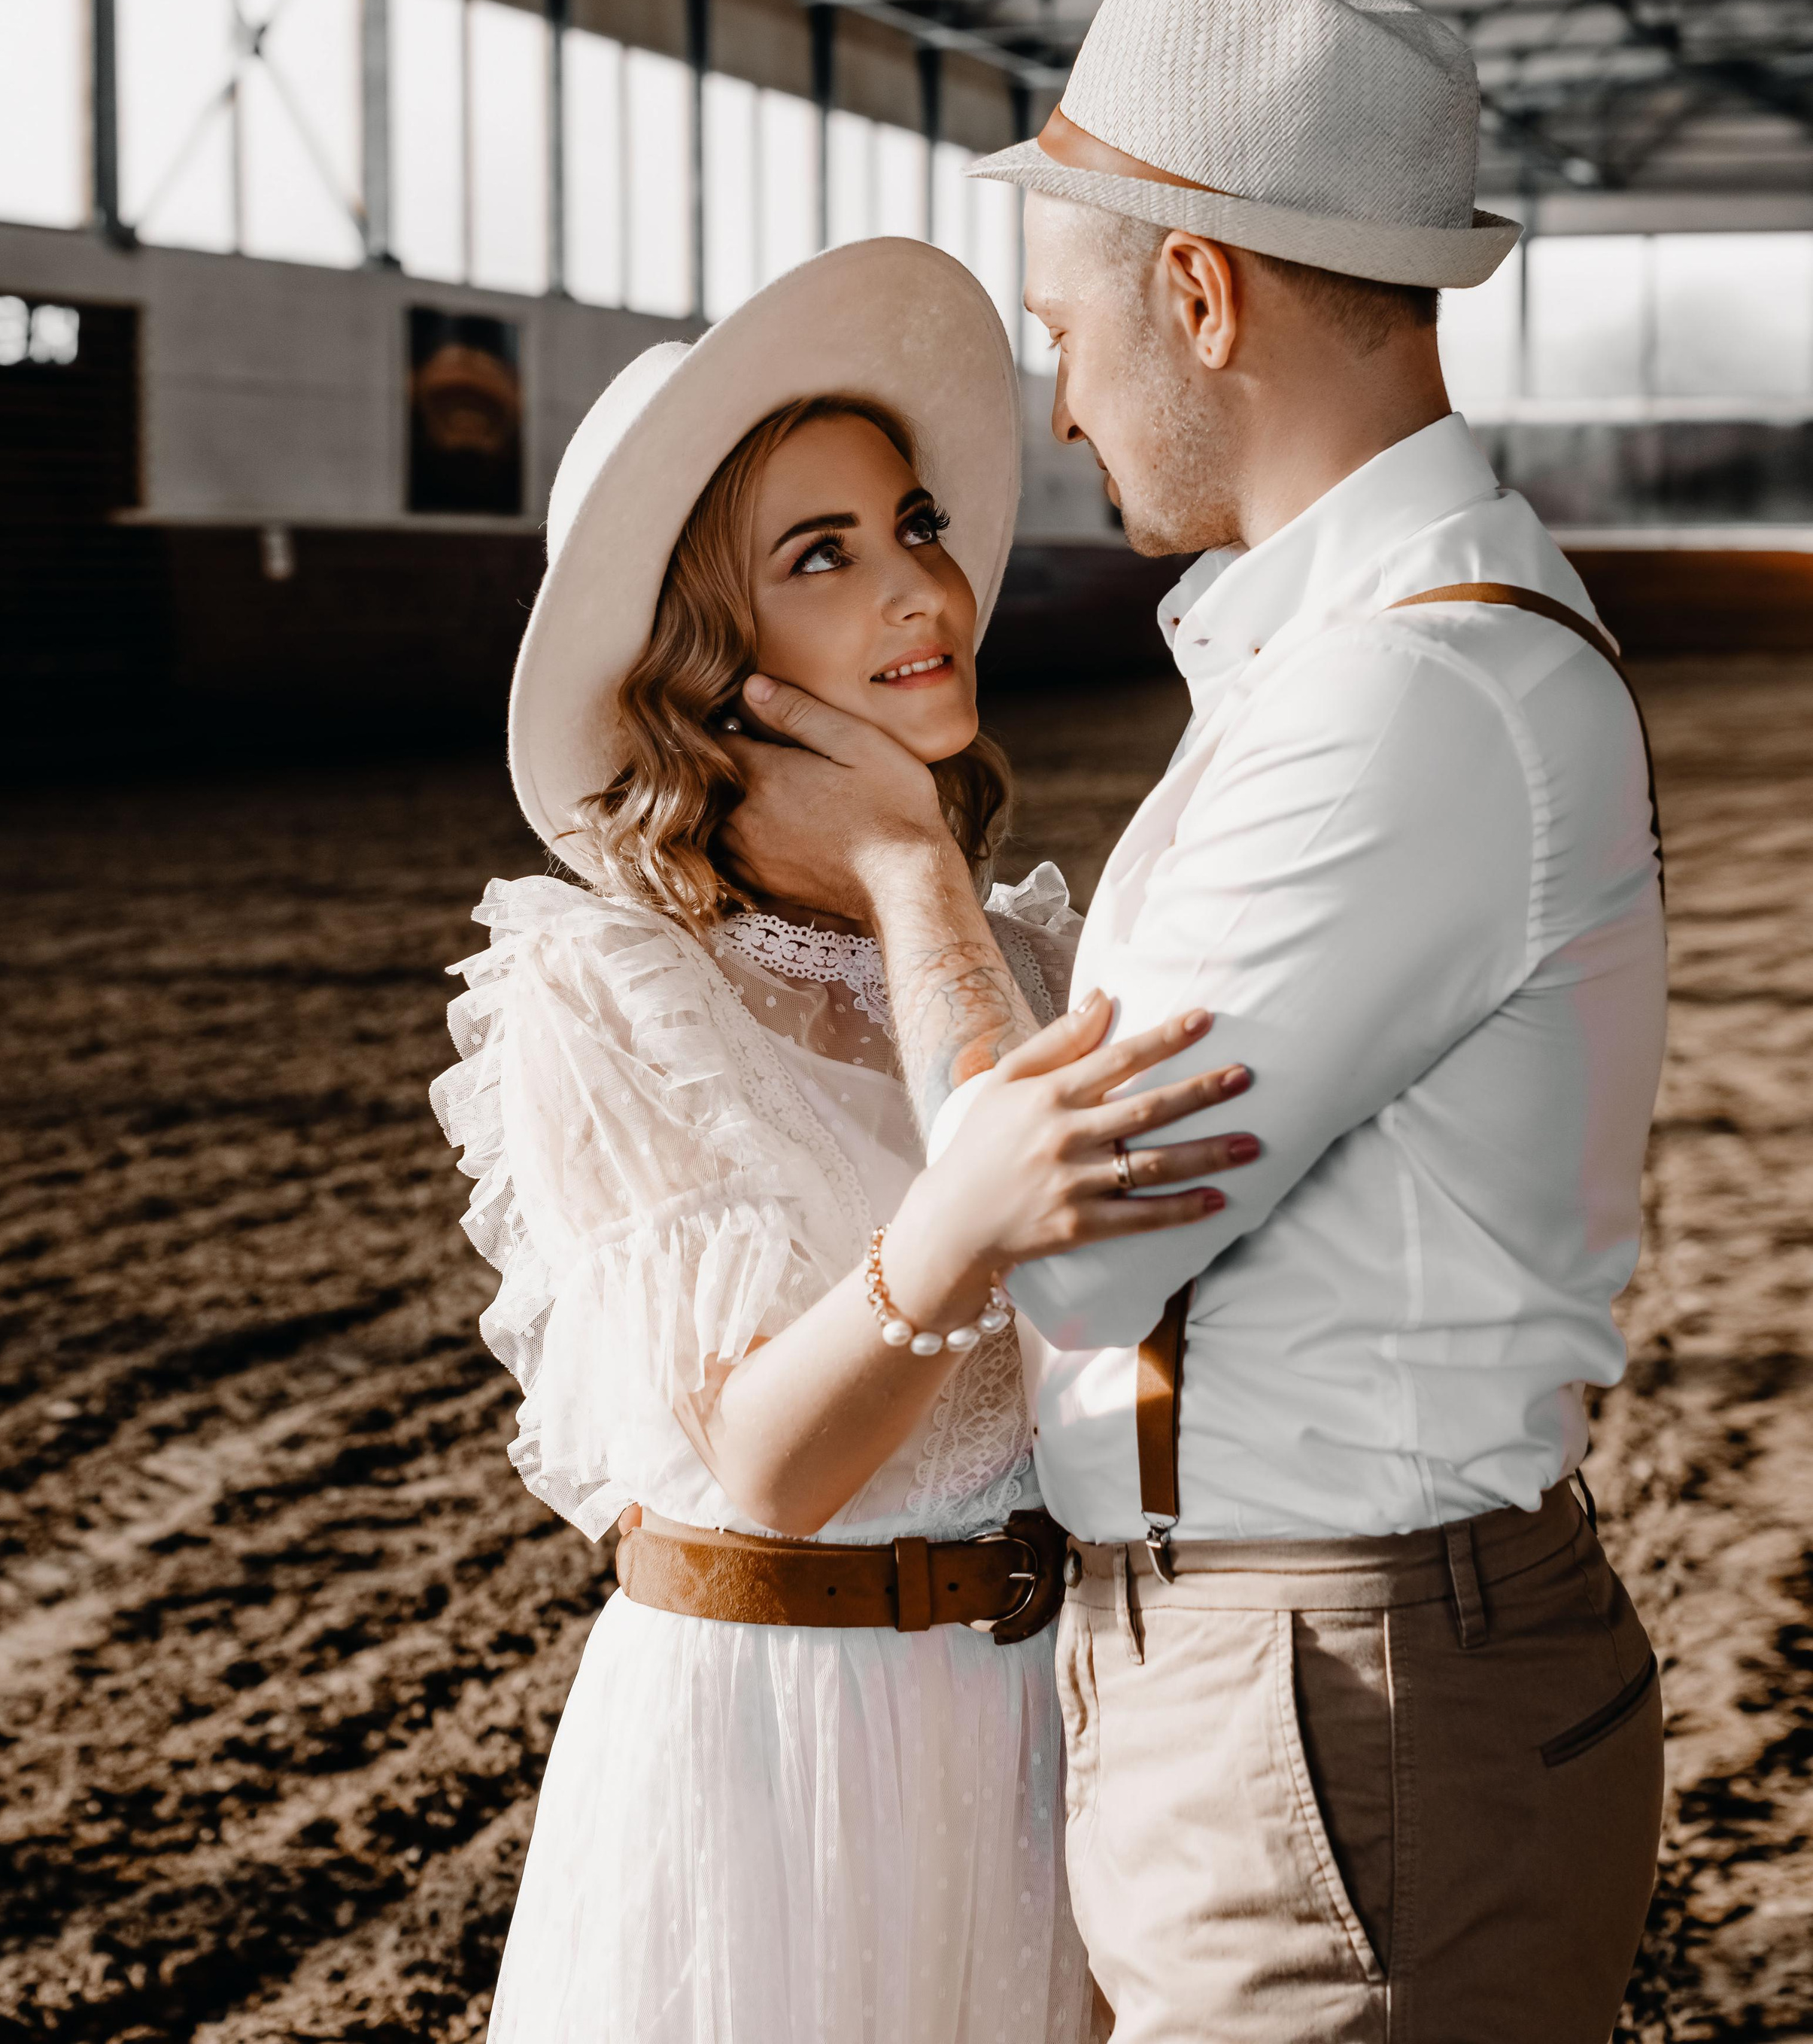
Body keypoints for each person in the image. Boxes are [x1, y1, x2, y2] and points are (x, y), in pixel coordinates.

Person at [724, 0, 1669, 2044]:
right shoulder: (1363, 658)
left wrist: (905, 870)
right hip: (1318, 1660)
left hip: (1335, 1683)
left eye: (1065, 334)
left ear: (1200, 296)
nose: (1060, 407)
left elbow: (1082, 1251)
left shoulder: (1404, 695)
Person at [431, 238, 1262, 2044]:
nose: (918, 586)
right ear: (705, 659)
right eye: (822, 556)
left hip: (1049, 1734)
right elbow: (771, 1462)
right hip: (777, 1763)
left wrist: (911, 882)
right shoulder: (605, 986)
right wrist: (955, 1225)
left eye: (913, 524)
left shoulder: (1017, 955)